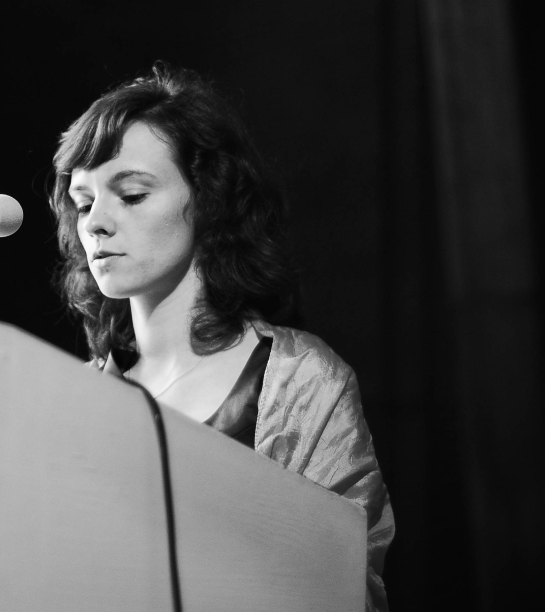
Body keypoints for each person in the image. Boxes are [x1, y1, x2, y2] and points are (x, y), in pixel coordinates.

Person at [49, 63, 394, 611]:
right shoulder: (77, 399)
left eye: (132, 195)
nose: (95, 223)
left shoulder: (298, 380)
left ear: (208, 200)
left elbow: (348, 581)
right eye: (84, 202)